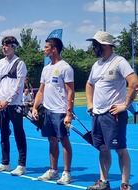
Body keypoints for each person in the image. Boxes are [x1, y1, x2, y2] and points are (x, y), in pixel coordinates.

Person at [85, 31, 137, 190]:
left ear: (105, 45)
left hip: (113, 115)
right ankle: (103, 182)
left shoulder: (119, 61)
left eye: (96, 44)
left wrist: (125, 105)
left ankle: (125, 184)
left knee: (120, 149)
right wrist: (90, 105)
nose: (93, 47)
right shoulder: (97, 64)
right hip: (98, 115)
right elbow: (89, 84)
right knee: (102, 148)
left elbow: (134, 82)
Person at [32, 37, 74, 185]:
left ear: (54, 49)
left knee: (64, 140)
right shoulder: (46, 68)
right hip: (48, 111)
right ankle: (53, 170)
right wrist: (35, 107)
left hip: (60, 111)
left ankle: (67, 173)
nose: (44, 49)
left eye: (46, 47)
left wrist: (69, 113)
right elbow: (41, 91)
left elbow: (70, 92)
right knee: (51, 140)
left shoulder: (65, 68)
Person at [0, 36, 27, 176]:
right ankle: (5, 162)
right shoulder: (0, 63)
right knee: (3, 132)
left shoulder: (20, 63)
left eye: (7, 45)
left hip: (15, 104)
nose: (4, 47)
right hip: (1, 105)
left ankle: (22, 164)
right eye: (3, 45)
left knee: (18, 132)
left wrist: (8, 101)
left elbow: (19, 85)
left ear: (14, 46)